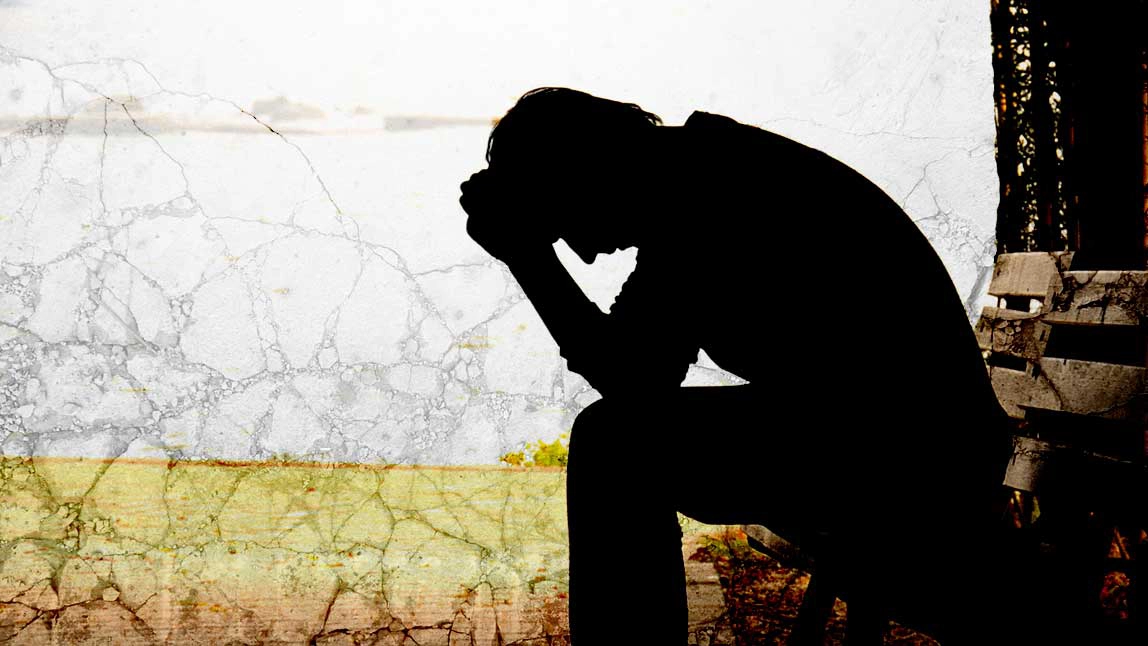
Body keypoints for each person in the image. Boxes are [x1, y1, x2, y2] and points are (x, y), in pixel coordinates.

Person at [459, 87, 1016, 644]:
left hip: (915, 456)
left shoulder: (704, 193)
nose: (581, 252)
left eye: (565, 219)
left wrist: (529, 258)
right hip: (908, 438)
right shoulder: (702, 175)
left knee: (615, 444)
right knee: (617, 439)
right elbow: (636, 369)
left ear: (586, 169)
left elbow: (630, 376)